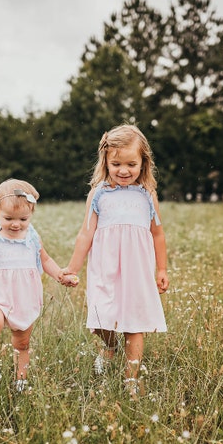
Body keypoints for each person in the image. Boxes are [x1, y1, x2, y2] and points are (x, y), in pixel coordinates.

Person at [62, 124, 169, 395]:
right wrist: (72, 269)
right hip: (105, 269)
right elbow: (86, 233)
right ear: (105, 162)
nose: (124, 170)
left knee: (134, 324)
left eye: (131, 164)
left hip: (137, 271)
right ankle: (109, 346)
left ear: (143, 163)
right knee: (100, 319)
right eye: (116, 163)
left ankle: (131, 380)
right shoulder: (99, 194)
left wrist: (162, 269)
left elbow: (157, 234)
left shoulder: (147, 195)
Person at [0, 179, 77, 392]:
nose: (16, 224)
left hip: (25, 297)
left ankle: (21, 380)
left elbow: (46, 260)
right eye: (9, 218)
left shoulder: (32, 238)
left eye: (23, 218)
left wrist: (60, 275)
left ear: (31, 213)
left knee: (22, 343)